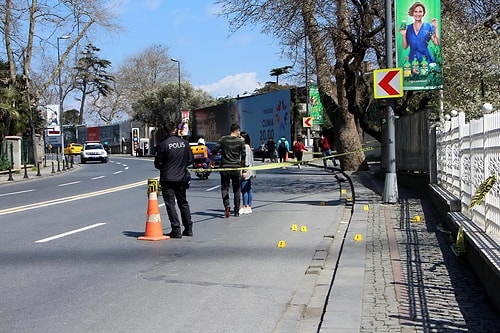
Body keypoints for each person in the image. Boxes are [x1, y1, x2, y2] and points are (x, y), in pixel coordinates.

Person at [154, 121, 194, 238]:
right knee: (183, 203)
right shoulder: (184, 143)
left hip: (167, 178)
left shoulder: (163, 144)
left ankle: (176, 229)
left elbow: (158, 163)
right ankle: (188, 228)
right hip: (181, 177)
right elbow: (190, 160)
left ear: (165, 131)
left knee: (170, 204)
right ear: (175, 130)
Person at [210, 123, 246, 218]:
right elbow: (243, 156)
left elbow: (214, 150)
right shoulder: (240, 142)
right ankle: (237, 210)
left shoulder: (223, 139)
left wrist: (212, 160)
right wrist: (243, 168)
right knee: (236, 189)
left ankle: (227, 206)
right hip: (235, 167)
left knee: (225, 188)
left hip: (224, 167)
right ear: (237, 131)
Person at [239, 131, 256, 215]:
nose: (239, 138)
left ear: (244, 138)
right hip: (249, 171)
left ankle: (245, 206)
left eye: (240, 137)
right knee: (248, 189)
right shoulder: (248, 146)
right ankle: (249, 206)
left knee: (244, 189)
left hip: (245, 171)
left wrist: (244, 171)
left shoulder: (245, 147)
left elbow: (246, 160)